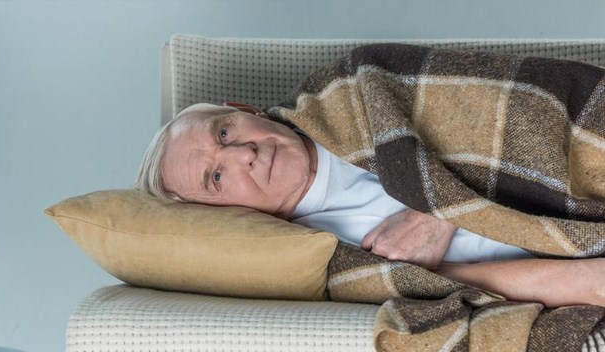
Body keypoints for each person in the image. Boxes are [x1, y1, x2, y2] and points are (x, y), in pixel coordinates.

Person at [136, 102, 605, 308]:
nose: (244, 154)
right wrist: (582, 280)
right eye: (217, 178)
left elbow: (495, 111)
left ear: (244, 109)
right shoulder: (316, 255)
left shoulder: (355, 96)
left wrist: (439, 209)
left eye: (224, 132)